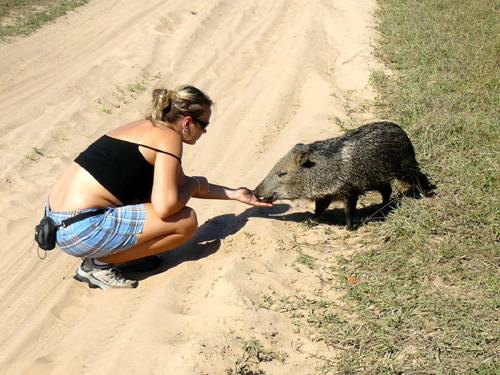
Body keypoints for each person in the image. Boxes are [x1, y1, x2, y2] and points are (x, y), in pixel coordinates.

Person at [46, 85, 271, 289]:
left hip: (57, 223)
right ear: (188, 123)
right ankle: (97, 264)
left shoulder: (146, 127)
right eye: (204, 126)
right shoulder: (169, 139)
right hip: (83, 229)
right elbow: (167, 206)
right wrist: (193, 186)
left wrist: (233, 194)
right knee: (185, 221)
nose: (204, 132)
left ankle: (123, 254)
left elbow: (179, 182)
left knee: (152, 194)